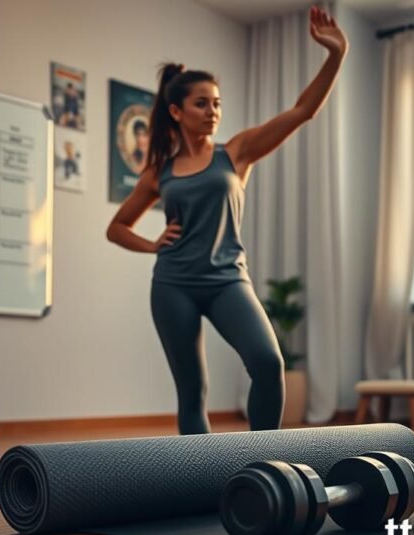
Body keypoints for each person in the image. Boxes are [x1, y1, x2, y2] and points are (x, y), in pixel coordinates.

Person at [106, 6, 347, 435]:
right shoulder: (159, 171)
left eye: (217, 103)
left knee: (267, 362)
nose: (212, 111)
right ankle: (201, 477)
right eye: (202, 103)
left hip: (227, 281)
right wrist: (153, 244)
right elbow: (117, 227)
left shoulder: (236, 152)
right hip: (173, 284)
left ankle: (264, 461)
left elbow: (302, 111)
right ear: (177, 112)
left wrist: (335, 55)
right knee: (192, 389)